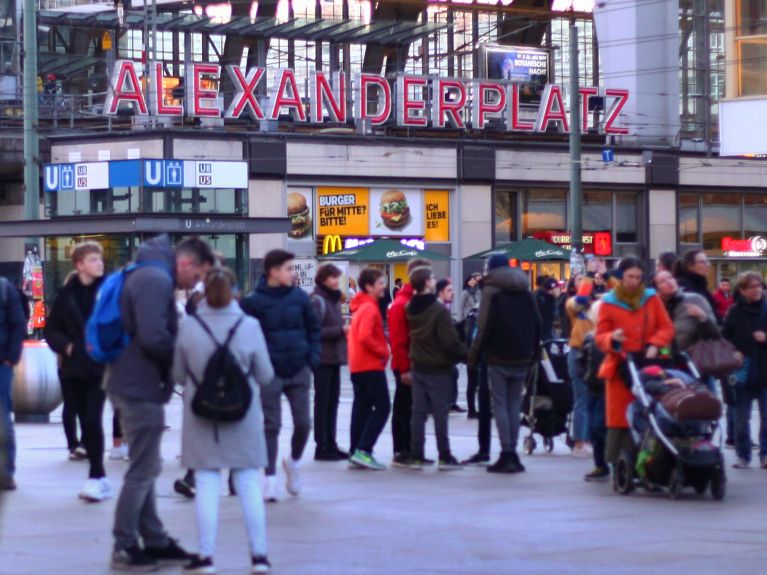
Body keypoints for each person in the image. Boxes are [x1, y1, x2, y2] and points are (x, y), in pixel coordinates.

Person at [107, 235, 203, 571]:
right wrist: (183, 360)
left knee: (146, 465)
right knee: (144, 468)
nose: (193, 285)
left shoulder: (149, 273)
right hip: (137, 383)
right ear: (187, 263)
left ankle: (156, 539)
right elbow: (153, 336)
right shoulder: (155, 279)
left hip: (136, 381)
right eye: (196, 277)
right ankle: (124, 544)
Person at [173, 268, 274, 575]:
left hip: (202, 416)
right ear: (234, 292)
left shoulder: (190, 326)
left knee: (206, 483)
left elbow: (177, 375)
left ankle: (205, 557)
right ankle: (259, 556)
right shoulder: (250, 325)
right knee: (247, 483)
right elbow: (266, 375)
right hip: (243, 415)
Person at [241, 250, 320, 502]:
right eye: (288, 268)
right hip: (270, 371)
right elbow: (246, 335)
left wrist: (312, 357)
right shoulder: (253, 302)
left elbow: (313, 329)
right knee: (271, 425)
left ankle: (293, 462)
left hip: (298, 368)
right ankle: (270, 478)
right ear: (273, 271)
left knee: (304, 423)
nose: (293, 273)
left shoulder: (300, 298)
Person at [594, 257, 674, 476]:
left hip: (648, 365)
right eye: (630, 276)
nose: (634, 281)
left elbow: (666, 327)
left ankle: (650, 462)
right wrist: (613, 338)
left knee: (649, 414)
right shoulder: (609, 301)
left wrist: (655, 344)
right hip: (621, 366)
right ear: (621, 277)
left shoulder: (651, 298)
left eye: (638, 277)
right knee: (620, 419)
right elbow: (600, 337)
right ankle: (619, 463)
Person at [45, 241, 112, 502]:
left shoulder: (108, 291)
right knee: (84, 419)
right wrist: (67, 347)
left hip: (99, 366)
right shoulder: (66, 295)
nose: (99, 263)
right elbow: (52, 330)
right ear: (80, 265)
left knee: (93, 419)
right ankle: (98, 474)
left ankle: (97, 475)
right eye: (93, 260)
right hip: (74, 368)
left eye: (100, 259)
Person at [469, 254, 541, 474]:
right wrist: (533, 352)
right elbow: (536, 322)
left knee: (499, 404)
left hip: (498, 355)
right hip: (522, 355)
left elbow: (483, 326)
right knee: (513, 404)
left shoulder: (491, 289)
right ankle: (513, 454)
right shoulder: (524, 288)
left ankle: (506, 452)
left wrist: (473, 356)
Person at [407, 268, 467, 470]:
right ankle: (444, 455)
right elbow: (450, 341)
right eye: (432, 278)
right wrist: (467, 355)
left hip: (418, 364)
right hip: (438, 366)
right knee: (440, 412)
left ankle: (416, 455)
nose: (434, 280)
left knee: (418, 413)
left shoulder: (410, 307)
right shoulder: (438, 310)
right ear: (426, 283)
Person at [388, 258, 432, 468]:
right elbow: (398, 340)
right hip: (406, 365)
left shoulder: (414, 301)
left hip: (417, 363)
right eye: (429, 275)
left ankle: (413, 449)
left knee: (415, 409)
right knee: (404, 408)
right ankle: (401, 450)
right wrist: (404, 369)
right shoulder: (401, 303)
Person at [722, 272, 767, 469]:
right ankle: (743, 454)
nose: (757, 289)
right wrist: (734, 351)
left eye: (759, 286)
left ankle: (765, 455)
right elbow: (724, 337)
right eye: (752, 286)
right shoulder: (734, 312)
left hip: (765, 371)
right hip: (742, 372)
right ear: (742, 290)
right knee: (741, 418)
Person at [348, 268, 391, 470]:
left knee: (362, 407)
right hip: (370, 364)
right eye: (380, 283)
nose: (383, 286)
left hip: (359, 365)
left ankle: (356, 450)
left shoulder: (361, 307)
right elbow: (365, 336)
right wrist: (383, 351)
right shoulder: (369, 308)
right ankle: (364, 449)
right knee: (383, 406)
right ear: (369, 287)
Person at [311, 264, 349, 462]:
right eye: (333, 277)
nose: (336, 281)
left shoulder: (333, 300)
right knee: (323, 401)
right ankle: (322, 445)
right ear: (324, 279)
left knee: (333, 401)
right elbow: (313, 331)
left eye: (337, 277)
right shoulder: (318, 301)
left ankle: (331, 443)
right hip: (322, 358)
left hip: (333, 357)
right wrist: (340, 331)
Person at [0, 273, 26, 491]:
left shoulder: (5, 289)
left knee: (2, 418)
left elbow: (18, 325)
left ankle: (6, 472)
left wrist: (10, 358)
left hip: (2, 364)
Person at [654, 271, 719, 353]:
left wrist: (703, 317)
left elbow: (715, 334)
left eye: (670, 277)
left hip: (693, 360)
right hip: (667, 360)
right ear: (657, 289)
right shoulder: (655, 307)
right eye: (662, 281)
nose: (669, 282)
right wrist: (664, 356)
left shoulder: (695, 299)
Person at [565, 274, 594, 459]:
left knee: (595, 401)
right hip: (579, 353)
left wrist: (605, 276)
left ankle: (591, 439)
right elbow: (581, 299)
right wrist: (589, 277)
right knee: (582, 399)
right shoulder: (573, 303)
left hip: (598, 353)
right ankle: (580, 442)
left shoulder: (600, 302)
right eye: (579, 280)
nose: (583, 282)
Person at [437, 278, 465, 414]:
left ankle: (450, 402)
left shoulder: (445, 307)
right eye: (449, 290)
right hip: (439, 353)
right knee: (450, 374)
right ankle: (445, 403)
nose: (452, 293)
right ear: (440, 292)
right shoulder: (438, 309)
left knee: (453, 373)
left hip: (445, 353)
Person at [673, 249, 718, 321]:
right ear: (690, 266)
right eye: (702, 262)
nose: (708, 265)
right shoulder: (684, 287)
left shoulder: (702, 286)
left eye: (707, 261)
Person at [535, 276, 560, 341]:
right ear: (552, 289)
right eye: (557, 288)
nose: (559, 290)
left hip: (546, 332)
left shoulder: (550, 299)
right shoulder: (543, 299)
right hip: (542, 335)